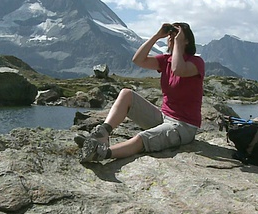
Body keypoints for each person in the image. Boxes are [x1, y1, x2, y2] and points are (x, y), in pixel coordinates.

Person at [75, 22, 205, 163]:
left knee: (143, 137)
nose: (172, 37)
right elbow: (138, 60)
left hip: (183, 126)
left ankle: (101, 153)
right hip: (163, 117)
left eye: (178, 34)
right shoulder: (165, 61)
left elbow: (178, 69)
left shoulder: (196, 62)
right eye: (171, 35)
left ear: (187, 40)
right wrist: (157, 36)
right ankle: (102, 134)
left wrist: (178, 43)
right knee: (126, 94)